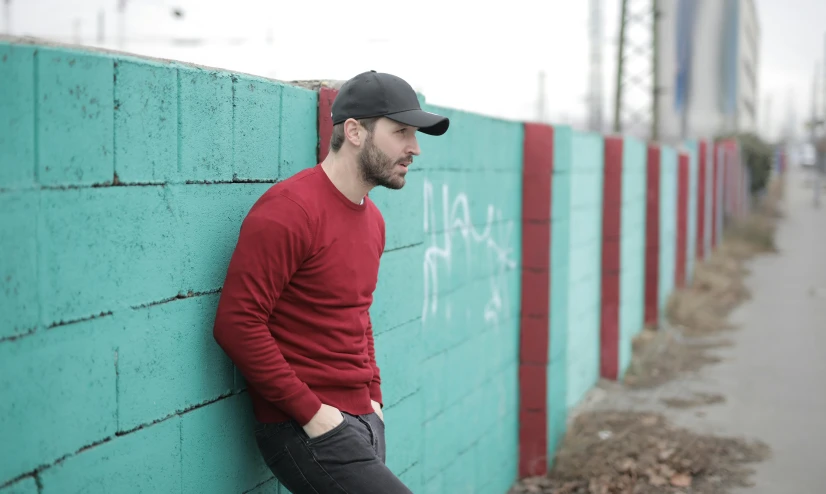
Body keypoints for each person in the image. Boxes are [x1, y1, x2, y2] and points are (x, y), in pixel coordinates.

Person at [213, 70, 449, 493]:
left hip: (361, 418)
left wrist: (373, 396)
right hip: (305, 425)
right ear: (355, 131)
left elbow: (357, 312)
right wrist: (312, 412)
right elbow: (236, 323)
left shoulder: (373, 220)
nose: (414, 148)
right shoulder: (290, 210)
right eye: (401, 132)